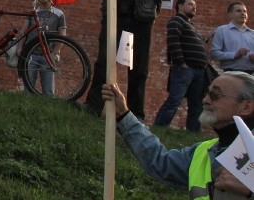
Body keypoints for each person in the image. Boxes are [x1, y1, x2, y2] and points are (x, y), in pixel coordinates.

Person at [102, 72, 254, 199]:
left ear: (246, 107)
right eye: (207, 93)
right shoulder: (203, 152)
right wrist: (123, 114)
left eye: (215, 94)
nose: (205, 100)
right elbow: (161, 162)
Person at [84, 0, 162, 119]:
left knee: (139, 69)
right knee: (104, 63)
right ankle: (93, 107)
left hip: (141, 22)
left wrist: (151, 14)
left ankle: (136, 114)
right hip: (114, 20)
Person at [154, 0, 208, 131]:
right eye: (190, 4)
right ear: (180, 6)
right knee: (174, 100)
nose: (194, 7)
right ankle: (159, 128)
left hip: (198, 70)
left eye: (195, 5)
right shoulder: (176, 20)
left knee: (196, 105)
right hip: (185, 68)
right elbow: (173, 41)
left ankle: (193, 133)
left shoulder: (190, 25)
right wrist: (181, 62)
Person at [19, 0, 67, 96]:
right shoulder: (33, 12)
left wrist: (55, 53)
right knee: (28, 89)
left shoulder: (59, 14)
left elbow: (62, 36)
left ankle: (48, 109)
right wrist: (20, 48)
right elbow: (24, 32)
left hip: (48, 55)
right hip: (31, 54)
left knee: (48, 91)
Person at [211, 2, 254, 74]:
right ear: (230, 14)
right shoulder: (222, 30)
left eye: (245, 11)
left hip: (251, 75)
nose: (243, 13)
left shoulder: (252, 33)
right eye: (238, 11)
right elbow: (214, 53)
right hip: (231, 73)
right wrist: (234, 55)